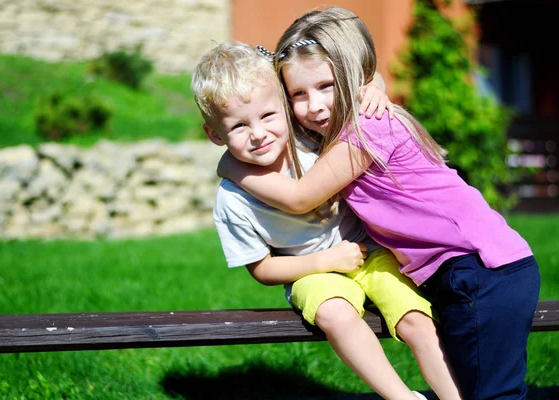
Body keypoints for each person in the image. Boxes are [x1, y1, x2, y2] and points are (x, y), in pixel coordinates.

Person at [217, 7, 541, 400]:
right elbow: (363, 76)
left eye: (326, 86)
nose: (315, 105)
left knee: (495, 394)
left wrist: (233, 166)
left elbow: (301, 197)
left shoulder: (365, 130)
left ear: (353, 80)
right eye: (298, 95)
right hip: (469, 271)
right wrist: (375, 83)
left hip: (480, 269)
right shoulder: (342, 125)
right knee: (481, 388)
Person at [192, 41, 461, 400]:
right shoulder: (233, 199)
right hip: (309, 272)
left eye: (268, 116)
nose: (258, 134)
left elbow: (358, 77)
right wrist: (323, 262)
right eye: (239, 126)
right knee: (336, 314)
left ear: (286, 109)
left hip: (370, 253)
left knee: (415, 315)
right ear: (215, 135)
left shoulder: (313, 139)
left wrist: (375, 88)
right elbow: (261, 269)